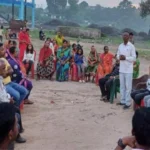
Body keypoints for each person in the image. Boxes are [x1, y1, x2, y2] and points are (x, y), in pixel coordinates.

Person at [0, 75, 26, 144]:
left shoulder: (1, 79)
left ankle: (18, 132)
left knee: (16, 109)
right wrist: (8, 100)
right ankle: (14, 134)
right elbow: (1, 97)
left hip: (3, 101)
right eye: (3, 69)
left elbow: (3, 92)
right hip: (2, 104)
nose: (4, 70)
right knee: (14, 113)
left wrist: (8, 98)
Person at [117, 32, 136, 109]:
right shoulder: (120, 46)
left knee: (128, 87)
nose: (124, 36)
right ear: (122, 36)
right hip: (121, 69)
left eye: (126, 35)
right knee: (122, 86)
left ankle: (128, 103)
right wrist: (119, 57)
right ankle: (122, 101)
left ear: (128, 37)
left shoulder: (131, 46)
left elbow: (134, 58)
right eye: (123, 35)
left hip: (128, 70)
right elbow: (117, 55)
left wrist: (126, 58)